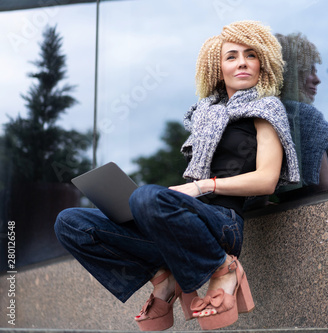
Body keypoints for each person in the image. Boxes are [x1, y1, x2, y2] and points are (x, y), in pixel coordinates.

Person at [54, 21, 299, 331]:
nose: (241, 63)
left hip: (223, 223)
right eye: (232, 56)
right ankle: (163, 277)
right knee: (71, 222)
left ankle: (224, 268)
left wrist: (199, 187)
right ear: (217, 67)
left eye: (250, 55)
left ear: (262, 62)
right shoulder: (203, 115)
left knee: (147, 197)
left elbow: (266, 179)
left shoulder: (266, 109)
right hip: (183, 226)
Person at [275, 32, 328, 192]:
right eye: (310, 70)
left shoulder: (269, 117)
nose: (317, 79)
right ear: (291, 74)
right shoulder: (304, 117)